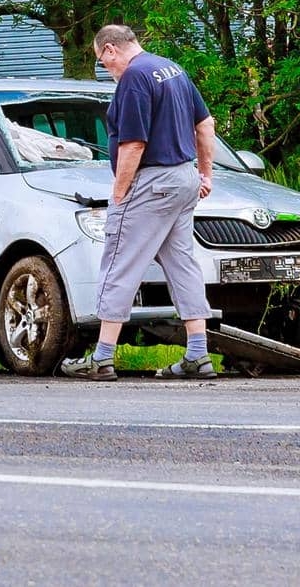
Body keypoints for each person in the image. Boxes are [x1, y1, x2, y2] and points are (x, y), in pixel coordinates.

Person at [60, 24, 216, 381]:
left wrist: (119, 193)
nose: (106, 69)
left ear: (111, 49)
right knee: (182, 264)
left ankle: (101, 358)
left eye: (103, 62)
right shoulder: (171, 69)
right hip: (183, 177)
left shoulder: (134, 78)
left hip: (151, 182)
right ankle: (198, 354)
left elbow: (133, 144)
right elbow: (205, 125)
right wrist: (205, 175)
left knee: (119, 263)